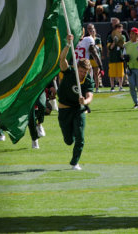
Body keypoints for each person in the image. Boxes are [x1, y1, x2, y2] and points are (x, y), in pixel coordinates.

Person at [57, 34, 92, 170]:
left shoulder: (88, 80)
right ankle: (69, 134)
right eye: (81, 70)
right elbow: (62, 59)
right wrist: (67, 44)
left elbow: (90, 95)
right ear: (77, 68)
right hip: (65, 109)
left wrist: (85, 101)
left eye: (85, 71)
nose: (82, 73)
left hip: (78, 109)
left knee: (80, 138)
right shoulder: (70, 72)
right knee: (68, 140)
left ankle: (74, 162)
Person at [76, 24, 103, 93]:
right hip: (85, 67)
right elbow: (95, 54)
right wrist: (101, 67)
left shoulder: (73, 41)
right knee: (86, 89)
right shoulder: (88, 40)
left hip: (77, 67)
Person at [107, 23, 125, 92]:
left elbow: (123, 46)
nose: (120, 29)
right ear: (116, 29)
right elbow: (110, 47)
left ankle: (120, 86)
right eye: (119, 28)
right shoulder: (110, 36)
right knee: (112, 74)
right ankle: (112, 87)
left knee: (120, 74)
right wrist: (114, 41)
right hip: (112, 58)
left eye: (121, 28)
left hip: (119, 57)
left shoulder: (123, 37)